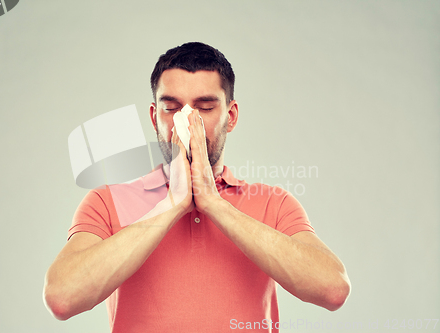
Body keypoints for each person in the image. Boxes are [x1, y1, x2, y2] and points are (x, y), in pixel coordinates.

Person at [43, 42, 351, 332]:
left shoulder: (274, 203)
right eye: (171, 107)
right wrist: (172, 204)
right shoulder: (107, 201)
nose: (186, 122)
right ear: (154, 117)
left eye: (204, 107)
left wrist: (214, 204)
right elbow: (62, 298)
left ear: (230, 116)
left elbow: (332, 289)